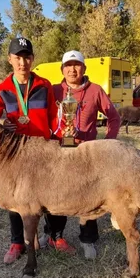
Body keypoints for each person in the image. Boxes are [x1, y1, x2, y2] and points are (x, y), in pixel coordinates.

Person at [0, 37, 59, 264]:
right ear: (9, 59)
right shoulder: (2, 89)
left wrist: (60, 141)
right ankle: (18, 242)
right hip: (15, 152)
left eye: (27, 57)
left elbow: (55, 116)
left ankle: (53, 236)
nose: (22, 62)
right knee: (16, 197)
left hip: (43, 149)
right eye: (17, 57)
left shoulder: (45, 85)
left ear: (33, 59)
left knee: (51, 193)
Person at [39, 50, 121, 259]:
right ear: (62, 69)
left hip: (86, 154)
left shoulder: (95, 91)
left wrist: (107, 142)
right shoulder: (54, 91)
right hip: (58, 153)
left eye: (77, 65)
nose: (72, 69)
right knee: (55, 196)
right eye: (68, 65)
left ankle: (88, 240)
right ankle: (53, 235)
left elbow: (114, 117)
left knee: (89, 197)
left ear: (84, 68)